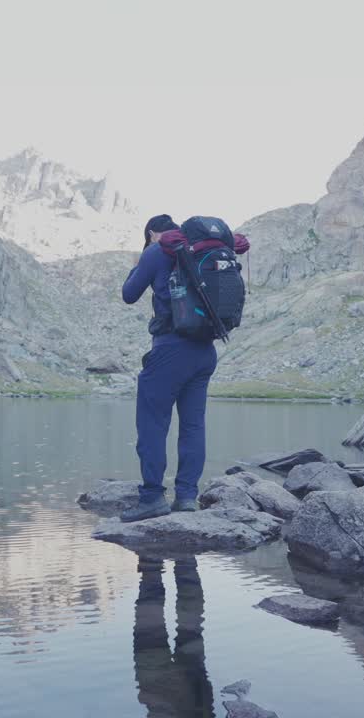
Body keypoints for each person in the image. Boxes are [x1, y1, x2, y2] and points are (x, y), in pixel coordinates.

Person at [120, 214, 219, 522]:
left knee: (152, 424)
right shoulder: (200, 251)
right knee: (193, 426)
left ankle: (152, 498)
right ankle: (187, 496)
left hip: (170, 350)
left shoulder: (156, 250)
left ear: (151, 233)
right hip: (205, 350)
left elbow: (128, 294)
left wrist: (146, 255)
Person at [131, 554, 214, 717]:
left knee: (186, 626)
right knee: (154, 615)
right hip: (160, 691)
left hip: (164, 692)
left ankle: (176, 557)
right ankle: (180, 556)